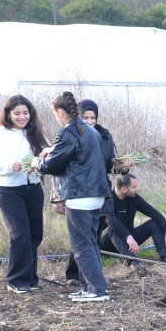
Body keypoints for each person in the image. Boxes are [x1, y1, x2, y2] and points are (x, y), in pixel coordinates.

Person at [33, 91, 111, 302]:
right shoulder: (90, 131)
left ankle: (98, 290)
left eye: (55, 114)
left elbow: (52, 165)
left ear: (60, 112)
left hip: (79, 195)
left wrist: (36, 163)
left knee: (81, 245)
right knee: (91, 243)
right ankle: (88, 288)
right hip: (96, 194)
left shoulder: (68, 132)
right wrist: (53, 150)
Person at [59, 98, 129, 285]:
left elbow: (109, 166)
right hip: (78, 191)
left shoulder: (104, 136)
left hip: (99, 191)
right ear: (78, 116)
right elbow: (60, 166)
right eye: (86, 117)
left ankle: (93, 279)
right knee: (81, 238)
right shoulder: (72, 133)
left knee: (92, 238)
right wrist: (57, 197)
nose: (90, 121)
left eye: (93, 118)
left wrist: (123, 168)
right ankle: (75, 274)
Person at [0, 95, 49, 293]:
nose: (22, 117)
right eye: (17, 113)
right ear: (9, 114)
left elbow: (50, 156)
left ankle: (31, 278)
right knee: (19, 233)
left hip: (34, 188)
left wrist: (45, 158)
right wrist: (7, 166)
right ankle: (16, 280)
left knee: (35, 233)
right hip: (9, 190)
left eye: (25, 113)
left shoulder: (36, 134)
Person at [97, 173, 166, 265]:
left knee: (153, 223)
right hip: (107, 243)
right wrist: (128, 236)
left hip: (128, 240)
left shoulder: (134, 198)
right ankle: (133, 262)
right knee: (111, 229)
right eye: (134, 187)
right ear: (124, 189)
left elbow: (154, 213)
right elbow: (111, 220)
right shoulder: (107, 200)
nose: (137, 189)